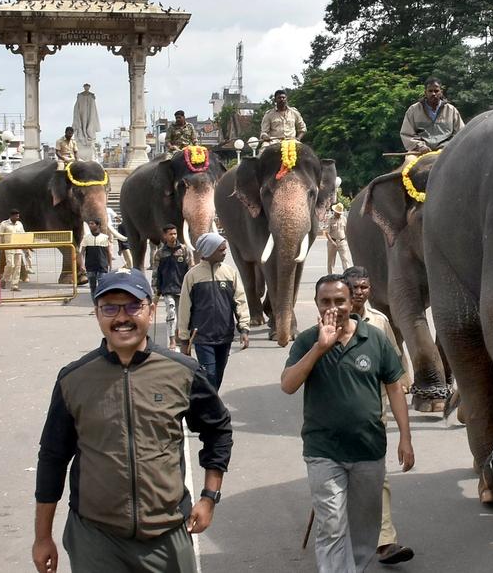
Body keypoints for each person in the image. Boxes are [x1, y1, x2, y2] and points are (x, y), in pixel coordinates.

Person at [32, 269, 232, 573]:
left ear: (151, 310)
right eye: (110, 308)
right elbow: (52, 458)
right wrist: (42, 536)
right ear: (97, 313)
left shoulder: (182, 372)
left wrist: (209, 496)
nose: (121, 317)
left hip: (167, 534)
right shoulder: (73, 379)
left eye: (133, 306)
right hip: (96, 538)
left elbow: (217, 429)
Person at [281, 275, 415, 573]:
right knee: (331, 524)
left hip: (368, 449)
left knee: (365, 528)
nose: (333, 307)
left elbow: (395, 388)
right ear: (316, 304)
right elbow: (288, 385)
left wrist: (405, 438)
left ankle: (354, 567)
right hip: (323, 451)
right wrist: (319, 348)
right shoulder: (307, 340)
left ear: (351, 302)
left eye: (339, 301)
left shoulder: (374, 338)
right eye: (325, 301)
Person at [343, 266, 414, 565]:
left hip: (374, 412)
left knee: (378, 476)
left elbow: (394, 359)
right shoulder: (332, 322)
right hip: (337, 418)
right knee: (341, 479)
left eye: (364, 287)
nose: (359, 292)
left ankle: (385, 541)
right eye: (354, 287)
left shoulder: (380, 322)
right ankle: (341, 535)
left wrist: (404, 382)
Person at [176, 233, 250, 390]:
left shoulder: (230, 273)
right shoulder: (192, 276)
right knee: (209, 375)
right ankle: (210, 403)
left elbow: (240, 301)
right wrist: (184, 339)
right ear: (209, 251)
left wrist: (244, 329)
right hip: (202, 337)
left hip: (225, 336)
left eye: (225, 249)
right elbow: (184, 309)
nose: (225, 253)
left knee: (218, 375)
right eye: (221, 250)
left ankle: (209, 401)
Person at [398, 77, 464, 153]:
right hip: (419, 151)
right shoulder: (413, 110)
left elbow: (461, 133)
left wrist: (449, 146)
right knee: (409, 160)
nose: (433, 94)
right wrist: (420, 146)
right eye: (430, 91)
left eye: (436, 91)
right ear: (425, 92)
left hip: (446, 150)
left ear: (441, 92)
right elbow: (406, 134)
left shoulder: (451, 110)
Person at [152, 225, 190, 340]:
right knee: (171, 313)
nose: (173, 236)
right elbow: (156, 273)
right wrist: (156, 291)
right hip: (167, 289)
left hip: (182, 288)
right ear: (165, 236)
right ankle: (172, 339)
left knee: (182, 315)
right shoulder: (160, 253)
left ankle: (180, 336)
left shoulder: (184, 250)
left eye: (175, 233)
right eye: (170, 234)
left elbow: (190, 269)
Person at [79, 219, 112, 297]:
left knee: (102, 286)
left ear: (98, 225)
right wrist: (82, 265)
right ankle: (95, 303)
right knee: (92, 287)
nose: (90, 225)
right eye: (89, 224)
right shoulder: (86, 238)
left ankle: (101, 302)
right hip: (90, 266)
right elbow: (82, 252)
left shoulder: (105, 237)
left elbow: (109, 252)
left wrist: (110, 265)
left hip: (102, 266)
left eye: (92, 224)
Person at [0, 209, 26, 292]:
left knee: (17, 267)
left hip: (18, 247)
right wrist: (0, 247)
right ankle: (4, 279)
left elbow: (23, 235)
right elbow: (0, 236)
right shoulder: (4, 224)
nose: (17, 218)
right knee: (10, 265)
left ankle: (14, 285)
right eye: (16, 216)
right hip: (8, 247)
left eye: (18, 216)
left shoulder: (19, 224)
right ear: (11, 216)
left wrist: (26, 246)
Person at [326, 203, 352, 275]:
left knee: (345, 260)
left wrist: (346, 240)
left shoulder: (344, 219)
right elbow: (327, 233)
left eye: (340, 213)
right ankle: (331, 276)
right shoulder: (330, 219)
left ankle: (347, 275)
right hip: (332, 242)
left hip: (342, 242)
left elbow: (347, 231)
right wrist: (332, 242)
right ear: (335, 212)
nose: (339, 214)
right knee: (331, 261)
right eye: (338, 213)